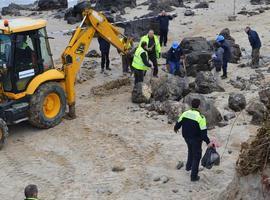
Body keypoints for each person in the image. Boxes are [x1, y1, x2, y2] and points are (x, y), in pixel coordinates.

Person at [174, 99, 213, 182]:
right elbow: (203, 133)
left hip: (186, 137)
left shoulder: (185, 113)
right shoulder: (201, 117)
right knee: (197, 156)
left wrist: (176, 128)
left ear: (191, 105)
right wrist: (208, 142)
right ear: (199, 106)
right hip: (196, 139)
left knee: (190, 150)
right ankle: (193, 176)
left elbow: (178, 123)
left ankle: (188, 167)